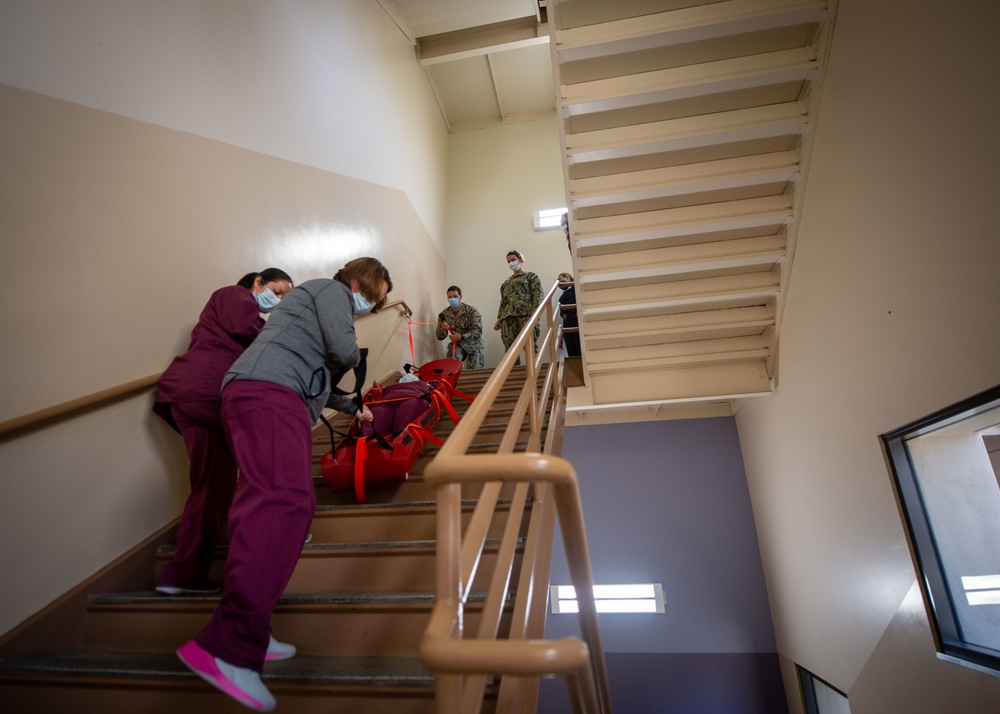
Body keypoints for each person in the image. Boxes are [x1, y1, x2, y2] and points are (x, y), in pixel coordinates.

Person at [176, 257, 391, 712]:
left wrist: (353, 408)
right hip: (270, 392)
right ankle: (227, 646)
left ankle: (252, 630)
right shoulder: (329, 291)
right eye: (371, 296)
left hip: (270, 391)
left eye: (376, 303)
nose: (369, 306)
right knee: (284, 504)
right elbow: (345, 351)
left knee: (287, 508)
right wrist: (354, 354)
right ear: (357, 280)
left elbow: (321, 373)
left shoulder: (309, 307)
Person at [153, 268, 294, 597]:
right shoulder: (234, 295)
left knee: (212, 487)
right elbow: (249, 330)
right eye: (278, 291)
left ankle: (182, 574)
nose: (279, 300)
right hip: (204, 394)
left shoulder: (232, 311)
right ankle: (184, 573)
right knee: (238, 474)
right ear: (257, 281)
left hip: (200, 399)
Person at [493, 250, 542, 360]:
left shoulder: (530, 276)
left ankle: (533, 372)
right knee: (510, 347)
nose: (511, 263)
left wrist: (535, 314)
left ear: (520, 260)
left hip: (526, 316)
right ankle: (513, 373)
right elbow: (503, 302)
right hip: (508, 318)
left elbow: (537, 295)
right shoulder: (506, 282)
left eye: (513, 260)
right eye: (508, 261)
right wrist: (499, 319)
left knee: (529, 345)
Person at [435, 285, 485, 370]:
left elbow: (478, 331)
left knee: (475, 370)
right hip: (457, 345)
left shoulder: (471, 311)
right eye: (450, 297)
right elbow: (439, 337)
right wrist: (443, 329)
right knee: (451, 367)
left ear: (460, 297)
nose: (452, 299)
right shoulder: (444, 314)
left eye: (455, 296)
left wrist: (462, 337)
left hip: (473, 344)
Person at [557, 272, 581, 357]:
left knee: (579, 347)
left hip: (577, 320)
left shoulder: (577, 289)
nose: (559, 282)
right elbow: (562, 313)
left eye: (560, 279)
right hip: (567, 322)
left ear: (567, 277)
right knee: (571, 348)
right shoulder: (563, 295)